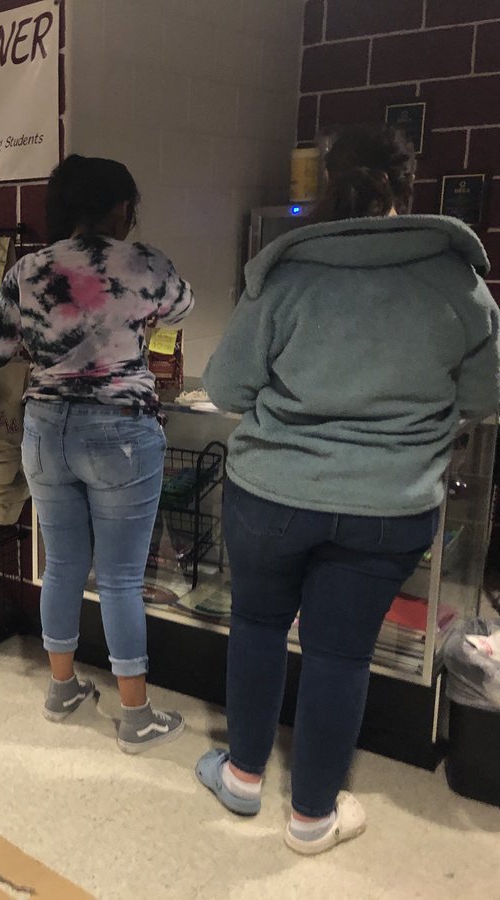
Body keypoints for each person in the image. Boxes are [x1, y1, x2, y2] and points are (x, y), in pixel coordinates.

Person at [198, 124, 500, 854]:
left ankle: (241, 777)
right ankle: (312, 818)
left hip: (271, 495)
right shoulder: (458, 283)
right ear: (408, 187)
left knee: (258, 627)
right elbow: (485, 397)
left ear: (327, 182)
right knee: (339, 656)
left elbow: (227, 386)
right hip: (388, 505)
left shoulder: (287, 275)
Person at [0, 155, 195, 752]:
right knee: (120, 578)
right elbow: (181, 307)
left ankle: (62, 690)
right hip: (121, 431)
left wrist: (43, 342)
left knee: (62, 565)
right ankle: (136, 717)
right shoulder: (145, 262)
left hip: (46, 430)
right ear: (121, 206)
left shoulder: (28, 269)